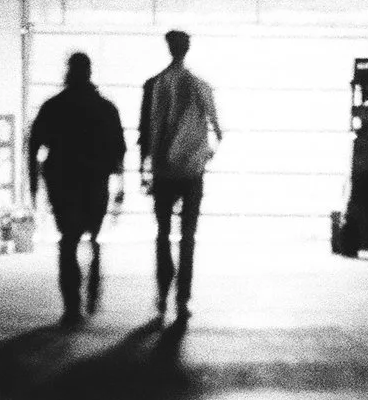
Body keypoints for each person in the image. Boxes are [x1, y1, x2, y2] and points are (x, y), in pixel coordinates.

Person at [27, 52, 127, 327]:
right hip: (95, 180)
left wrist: (33, 184)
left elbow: (34, 144)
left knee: (68, 241)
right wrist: (120, 187)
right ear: (89, 72)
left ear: (68, 71)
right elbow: (119, 150)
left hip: (63, 181)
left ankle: (72, 305)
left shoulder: (54, 106)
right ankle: (93, 283)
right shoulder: (105, 108)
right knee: (93, 237)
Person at [139, 29, 222, 323]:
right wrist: (203, 154)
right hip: (191, 173)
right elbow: (218, 131)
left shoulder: (153, 85)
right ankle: (183, 299)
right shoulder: (201, 86)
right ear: (187, 49)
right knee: (188, 236)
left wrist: (144, 168)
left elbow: (144, 132)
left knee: (162, 234)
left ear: (169, 47)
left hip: (163, 171)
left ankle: (162, 294)